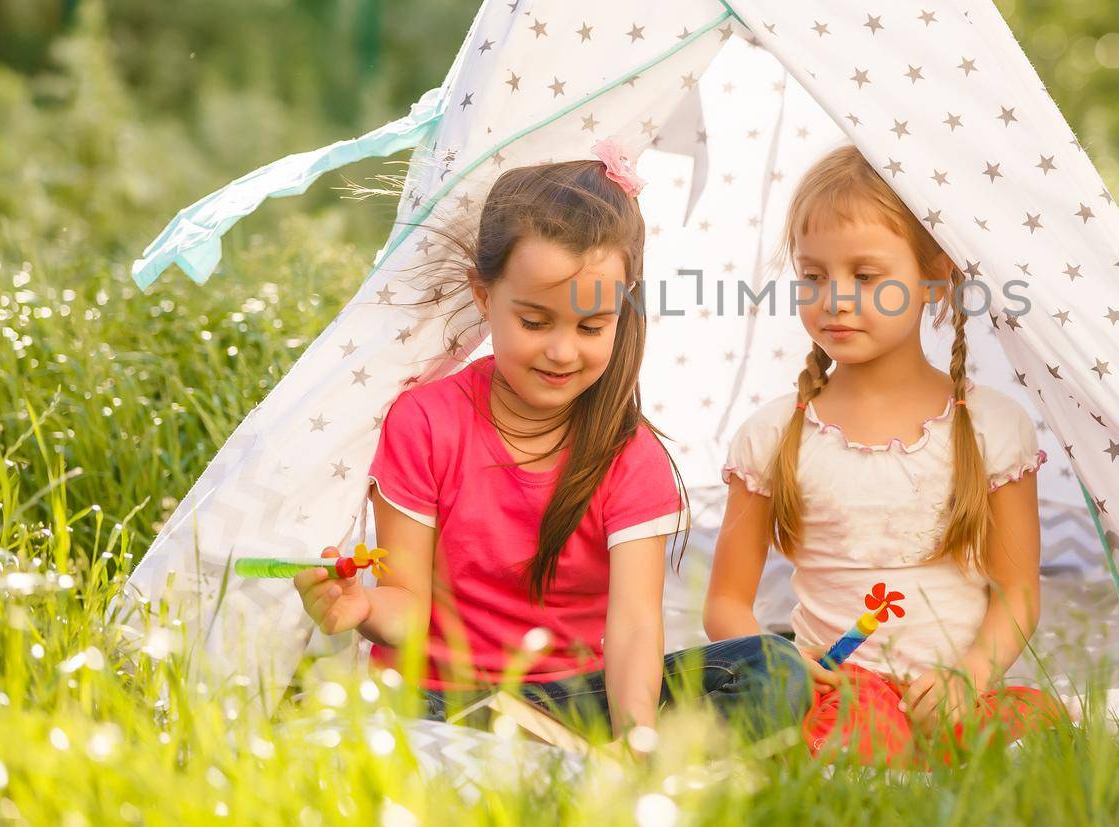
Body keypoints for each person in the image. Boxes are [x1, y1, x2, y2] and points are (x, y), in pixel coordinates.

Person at [293, 142, 809, 748]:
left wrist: (636, 742)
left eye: (592, 327)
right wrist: (361, 610)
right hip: (439, 700)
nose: (563, 352)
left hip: (577, 702)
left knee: (774, 666)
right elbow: (406, 604)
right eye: (535, 322)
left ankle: (596, 761)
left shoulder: (631, 456)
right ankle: (530, 754)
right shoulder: (427, 421)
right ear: (484, 298)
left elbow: (636, 630)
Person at [705, 145, 1065, 765]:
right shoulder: (773, 436)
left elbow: (1017, 591)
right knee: (849, 744)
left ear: (933, 277)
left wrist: (970, 676)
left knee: (1041, 734)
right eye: (813, 276)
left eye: (865, 276)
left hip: (954, 694)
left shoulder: (990, 429)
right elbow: (724, 604)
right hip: (837, 696)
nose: (835, 299)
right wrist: (784, 660)